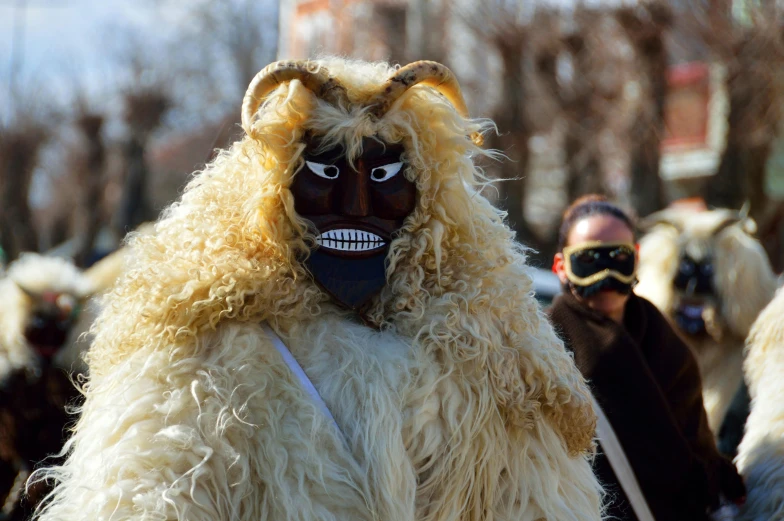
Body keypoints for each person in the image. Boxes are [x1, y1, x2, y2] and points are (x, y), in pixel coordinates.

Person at [33, 59, 603, 521]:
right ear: (272, 193)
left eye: (384, 177)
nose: (355, 207)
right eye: (325, 173)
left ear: (431, 197)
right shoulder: (200, 356)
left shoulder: (490, 355)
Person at [547, 194, 746, 521]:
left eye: (618, 259)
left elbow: (699, 450)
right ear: (561, 267)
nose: (606, 274)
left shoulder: (667, 343)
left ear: (636, 259)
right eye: (589, 261)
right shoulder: (545, 348)